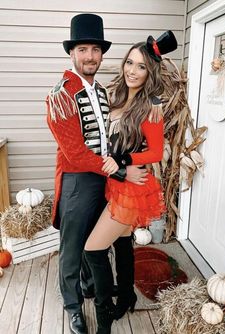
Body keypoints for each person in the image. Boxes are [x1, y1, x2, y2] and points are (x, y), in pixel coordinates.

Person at [46, 13, 147, 334]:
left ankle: (90, 287)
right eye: (83, 49)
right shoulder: (60, 95)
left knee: (95, 240)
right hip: (77, 180)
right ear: (72, 53)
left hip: (104, 179)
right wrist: (119, 173)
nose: (90, 56)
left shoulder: (102, 90)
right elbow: (75, 153)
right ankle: (73, 305)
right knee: (72, 247)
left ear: (101, 54)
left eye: (95, 50)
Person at [84, 30, 178, 334]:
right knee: (123, 243)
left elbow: (154, 151)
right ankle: (125, 295)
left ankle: (104, 318)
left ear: (149, 73)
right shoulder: (120, 97)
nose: (132, 71)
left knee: (93, 249)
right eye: (130, 63)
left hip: (131, 188)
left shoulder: (151, 105)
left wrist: (124, 162)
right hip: (119, 183)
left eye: (141, 67)